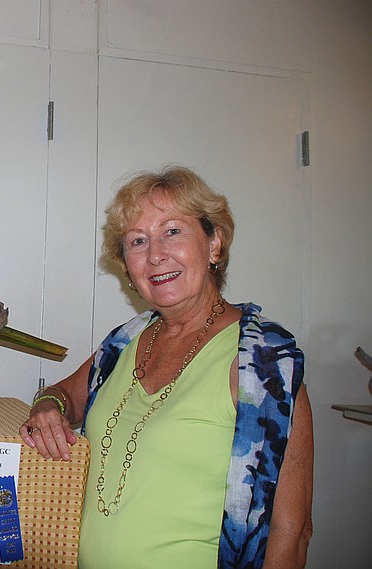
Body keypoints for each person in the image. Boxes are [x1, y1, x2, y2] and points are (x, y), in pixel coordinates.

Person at [20, 166, 313, 569]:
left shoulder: (262, 362)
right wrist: (47, 408)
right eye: (137, 241)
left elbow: (291, 531)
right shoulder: (125, 341)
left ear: (214, 244)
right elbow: (63, 394)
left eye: (172, 231)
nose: (155, 255)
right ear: (127, 266)